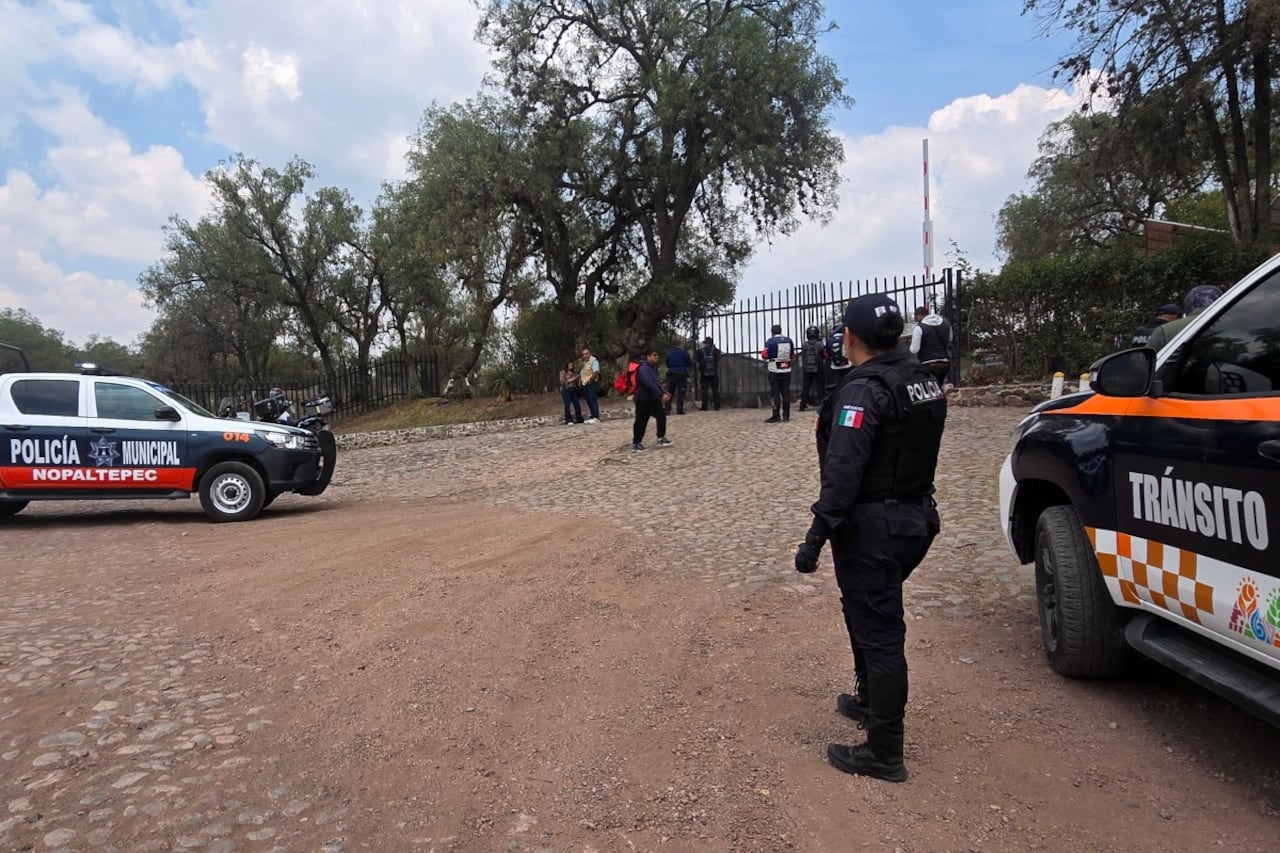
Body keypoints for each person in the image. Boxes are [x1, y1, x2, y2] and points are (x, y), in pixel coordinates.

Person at [794, 292, 947, 783]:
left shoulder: (863, 390)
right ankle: (867, 699)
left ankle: (884, 750)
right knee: (863, 610)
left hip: (873, 528)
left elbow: (844, 470)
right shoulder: (922, 380)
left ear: (850, 337)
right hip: (914, 520)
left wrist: (816, 536)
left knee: (880, 634)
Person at [814, 323, 854, 471]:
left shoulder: (829, 339)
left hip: (834, 367)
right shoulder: (845, 336)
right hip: (848, 364)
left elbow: (825, 354)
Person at [1144, 284, 1223, 352]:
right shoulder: (1232, 324)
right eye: (1160, 313)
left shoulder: (1164, 332)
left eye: (1166, 313)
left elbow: (1144, 365)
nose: (1161, 317)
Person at [632, 349, 673, 452]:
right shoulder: (644, 369)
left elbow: (655, 383)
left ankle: (661, 437)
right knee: (641, 421)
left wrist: (663, 392)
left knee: (661, 415)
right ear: (648, 356)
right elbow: (649, 384)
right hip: (643, 399)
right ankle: (636, 443)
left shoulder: (652, 368)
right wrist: (660, 394)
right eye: (654, 355)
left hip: (653, 398)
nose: (657, 357)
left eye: (657, 355)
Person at [760, 323, 796, 423]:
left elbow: (765, 355)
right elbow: (793, 355)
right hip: (786, 369)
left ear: (772, 332)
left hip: (774, 370)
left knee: (775, 393)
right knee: (786, 393)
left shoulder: (770, 341)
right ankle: (786, 415)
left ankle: (776, 415)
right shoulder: (789, 340)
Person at [910, 304, 952, 385]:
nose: (916, 320)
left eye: (915, 317)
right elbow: (950, 339)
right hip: (945, 363)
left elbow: (914, 350)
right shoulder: (946, 324)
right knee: (940, 387)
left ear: (918, 315)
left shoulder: (919, 328)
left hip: (928, 365)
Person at [799, 325, 823, 412]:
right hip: (818, 368)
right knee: (820, 387)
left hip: (807, 369)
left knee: (805, 388)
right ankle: (822, 404)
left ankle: (802, 405)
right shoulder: (819, 344)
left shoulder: (804, 345)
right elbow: (824, 354)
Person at [665, 342, 692, 415]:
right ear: (681, 345)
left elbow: (667, 363)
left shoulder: (669, 353)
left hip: (671, 374)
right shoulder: (684, 353)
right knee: (681, 392)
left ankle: (667, 410)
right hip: (682, 374)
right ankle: (679, 410)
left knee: (669, 392)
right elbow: (689, 363)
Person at [696, 337, 722, 411]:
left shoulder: (701, 351)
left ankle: (704, 406)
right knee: (715, 389)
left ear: (706, 343)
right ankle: (717, 406)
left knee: (704, 390)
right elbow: (719, 359)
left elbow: (697, 359)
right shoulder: (716, 351)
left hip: (704, 373)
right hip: (713, 372)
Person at [578, 347, 601, 423]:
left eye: (586, 353)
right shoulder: (584, 362)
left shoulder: (594, 361)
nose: (585, 355)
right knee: (588, 400)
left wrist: (590, 380)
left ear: (590, 353)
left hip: (590, 382)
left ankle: (596, 417)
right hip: (584, 383)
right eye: (583, 354)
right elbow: (581, 371)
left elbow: (595, 371)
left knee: (592, 399)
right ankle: (592, 415)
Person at [559, 361, 583, 425]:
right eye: (570, 365)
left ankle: (579, 418)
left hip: (573, 389)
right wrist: (574, 378)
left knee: (576, 404)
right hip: (566, 389)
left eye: (572, 365)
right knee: (567, 404)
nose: (571, 367)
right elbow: (563, 382)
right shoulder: (563, 373)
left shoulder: (573, 373)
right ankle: (568, 420)